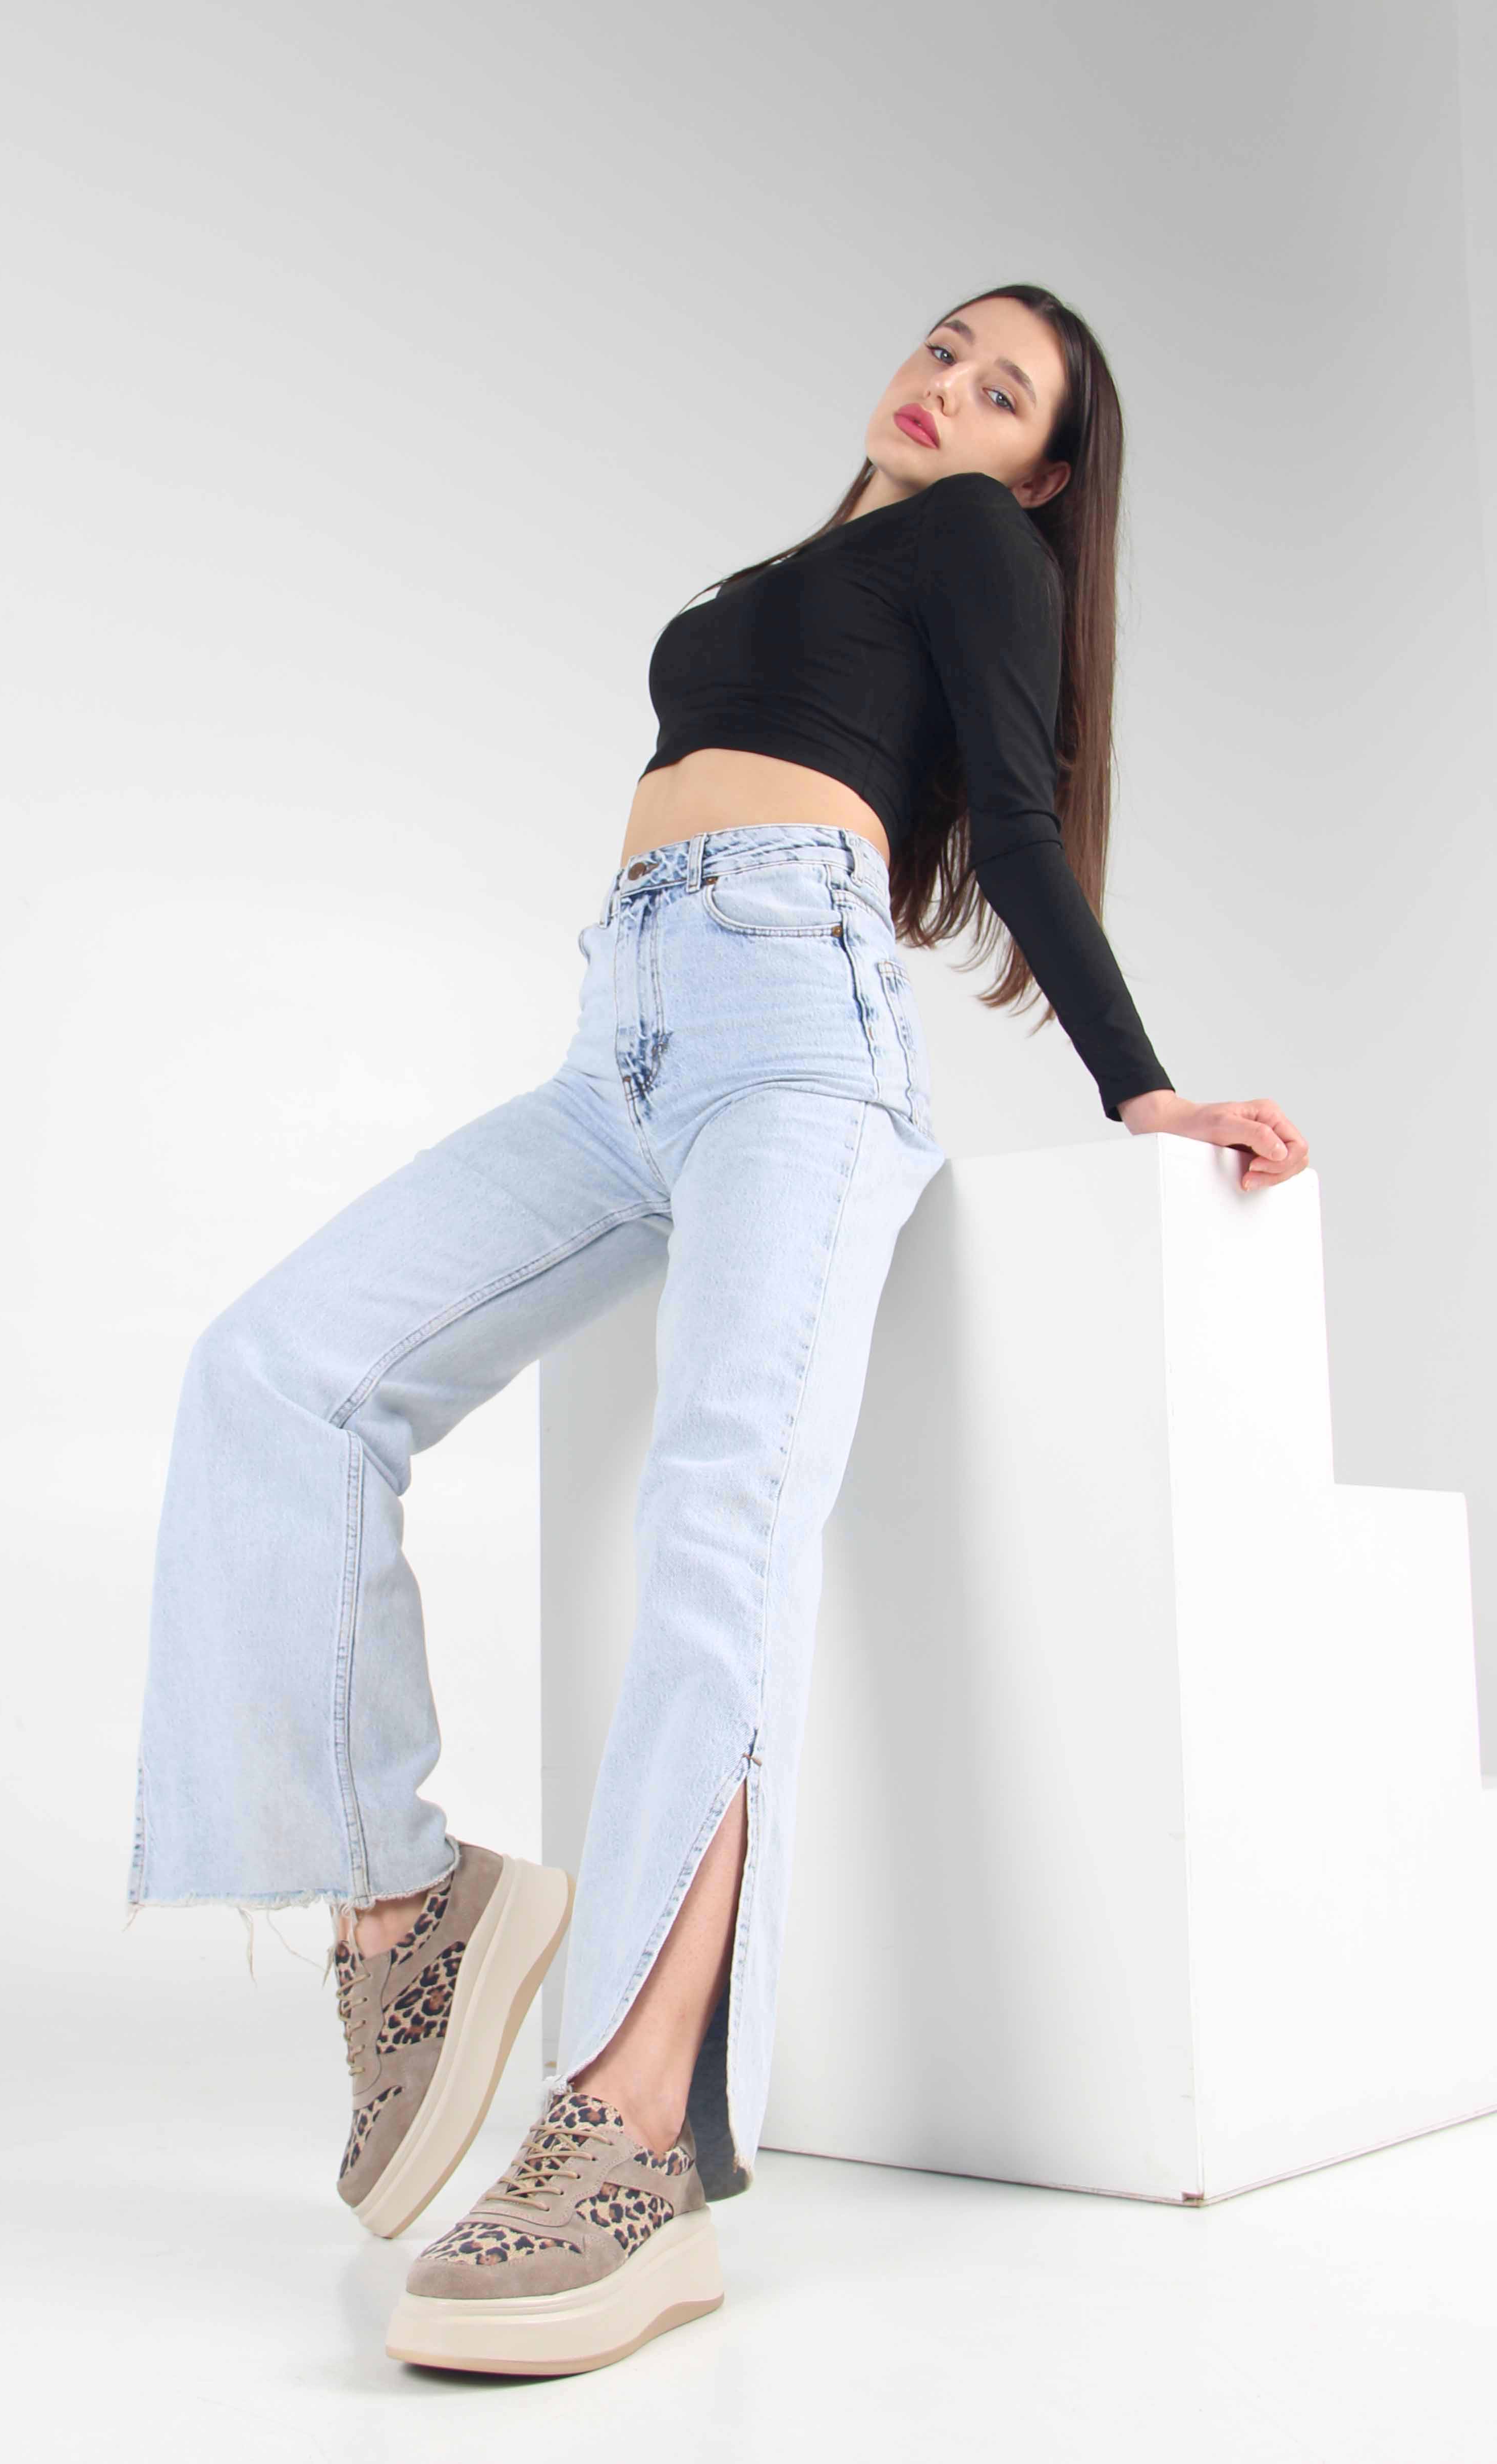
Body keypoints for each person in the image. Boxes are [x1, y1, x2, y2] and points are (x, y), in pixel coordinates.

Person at [125, 283, 1310, 2377]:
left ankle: (634, 2128)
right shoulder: (801, 574)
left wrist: (1140, 1089)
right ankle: (409, 1910)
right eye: (944, 347)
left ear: (1044, 474)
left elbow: (1015, 819)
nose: (944, 389)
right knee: (278, 1374)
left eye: (1002, 392)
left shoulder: (982, 543)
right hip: (625, 1047)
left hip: (798, 1033)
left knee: (720, 1511)